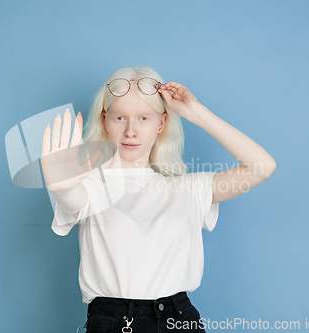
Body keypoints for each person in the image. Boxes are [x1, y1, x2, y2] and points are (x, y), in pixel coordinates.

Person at [40, 66, 276, 333]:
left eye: (143, 118)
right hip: (113, 322)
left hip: (179, 319)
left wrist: (197, 114)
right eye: (120, 118)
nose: (131, 131)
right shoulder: (91, 186)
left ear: (162, 123)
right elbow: (73, 198)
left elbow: (262, 166)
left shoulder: (187, 188)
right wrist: (61, 189)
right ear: (105, 119)